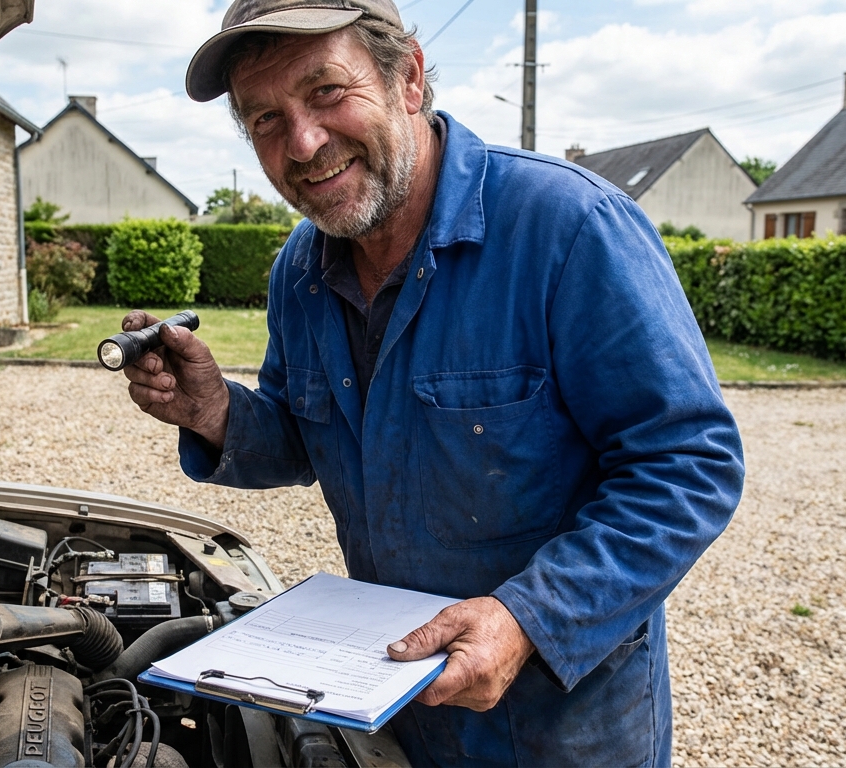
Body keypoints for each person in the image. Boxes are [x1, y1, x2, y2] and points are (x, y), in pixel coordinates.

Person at [119, 1, 744, 764]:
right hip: (394, 703)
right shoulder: (301, 270)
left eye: (325, 92)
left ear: (407, 77)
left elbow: (688, 464)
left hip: (563, 725)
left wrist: (526, 620)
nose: (304, 143)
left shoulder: (569, 228)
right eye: (266, 120)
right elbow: (306, 435)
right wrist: (213, 409)